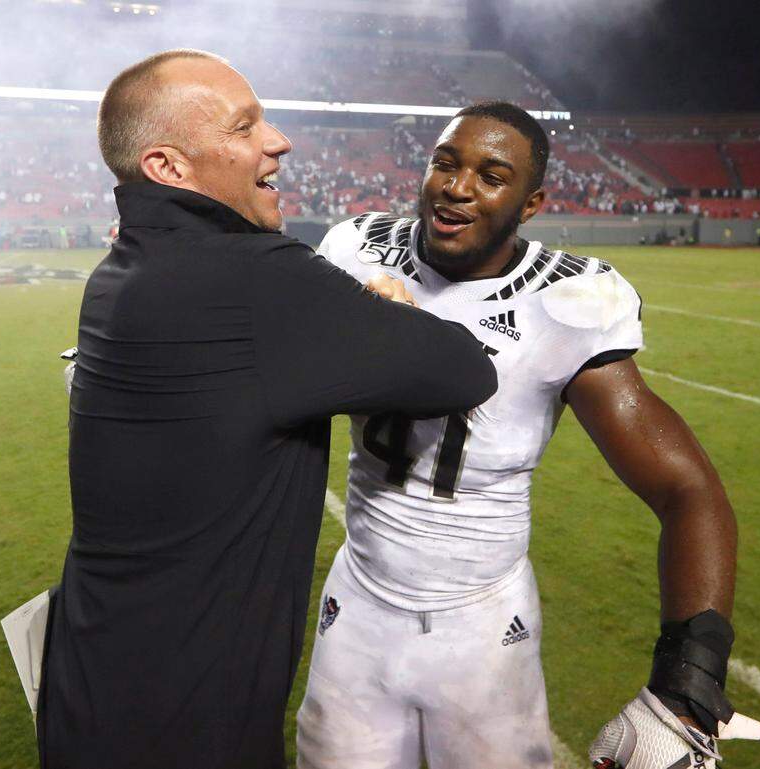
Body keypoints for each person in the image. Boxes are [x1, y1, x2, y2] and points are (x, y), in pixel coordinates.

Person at [36, 50, 497, 769]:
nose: (277, 140)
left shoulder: (126, 266)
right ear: (169, 166)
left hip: (91, 680)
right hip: (184, 724)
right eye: (244, 126)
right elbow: (461, 368)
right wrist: (395, 311)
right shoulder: (255, 280)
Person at [296, 102, 760, 769]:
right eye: (445, 163)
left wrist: (688, 689)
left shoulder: (564, 300)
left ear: (532, 201)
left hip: (485, 623)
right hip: (359, 606)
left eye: (491, 175)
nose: (457, 187)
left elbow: (688, 489)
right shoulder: (355, 247)